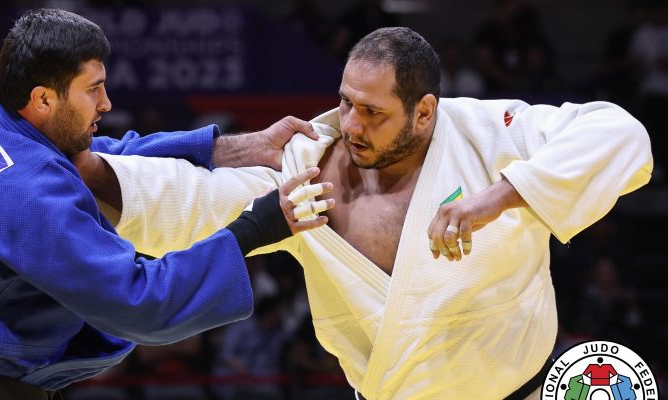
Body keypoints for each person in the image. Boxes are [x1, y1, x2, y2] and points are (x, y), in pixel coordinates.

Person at [83, 26, 653, 399]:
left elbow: (620, 134)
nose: (351, 124)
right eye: (345, 102)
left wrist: (501, 195)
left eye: (373, 112)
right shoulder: (306, 171)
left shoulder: (490, 134)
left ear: (424, 112)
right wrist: (76, 166)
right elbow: (183, 198)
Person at [0, 8, 336, 400]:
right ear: (43, 98)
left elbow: (104, 153)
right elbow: (142, 302)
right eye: (93, 89)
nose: (107, 102)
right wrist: (255, 229)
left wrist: (236, 148)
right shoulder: (28, 193)